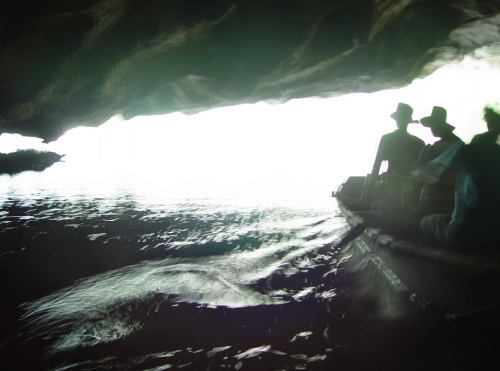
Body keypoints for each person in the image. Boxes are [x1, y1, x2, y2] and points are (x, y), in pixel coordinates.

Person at [415, 105, 500, 250]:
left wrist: (423, 159)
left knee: (425, 222)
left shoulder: (471, 148)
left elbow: (424, 173)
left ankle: (431, 266)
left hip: (465, 232)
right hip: (496, 236)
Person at [361, 103, 425, 212]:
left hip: (391, 187)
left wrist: (367, 191)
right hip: (412, 189)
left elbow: (376, 166)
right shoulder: (419, 142)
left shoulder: (387, 139)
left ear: (397, 120)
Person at [403, 106, 463, 215]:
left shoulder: (436, 147)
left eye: (432, 126)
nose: (431, 130)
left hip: (434, 200)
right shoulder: (460, 144)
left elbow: (418, 174)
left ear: (438, 126)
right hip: (455, 201)